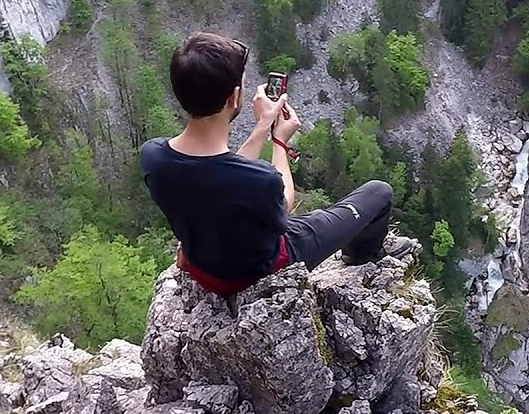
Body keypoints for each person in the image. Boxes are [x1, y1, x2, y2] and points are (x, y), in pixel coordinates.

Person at [140, 32, 412, 296]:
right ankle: (363, 255)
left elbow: (221, 174)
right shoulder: (260, 179)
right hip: (259, 267)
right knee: (379, 192)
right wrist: (279, 142)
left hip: (202, 265)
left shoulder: (154, 156)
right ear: (234, 98)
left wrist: (263, 126)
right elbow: (284, 204)